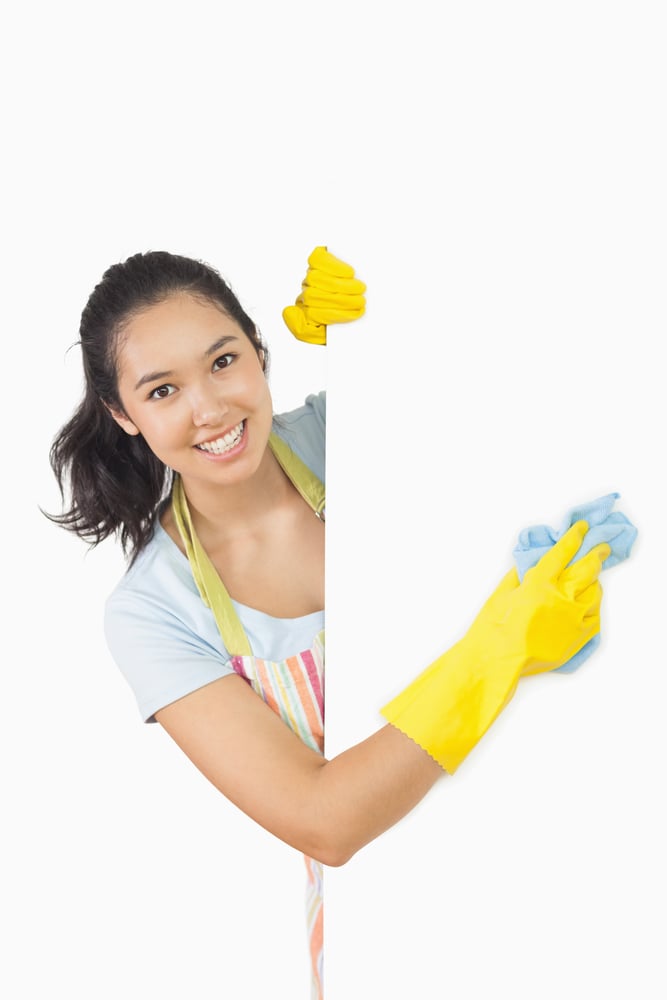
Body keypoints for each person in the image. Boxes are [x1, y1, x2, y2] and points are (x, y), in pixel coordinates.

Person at [48, 247, 610, 1000]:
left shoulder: (369, 432)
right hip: (392, 930)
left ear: (259, 348)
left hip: (563, 859)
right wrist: (498, 648)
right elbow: (324, 822)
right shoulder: (153, 612)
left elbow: (543, 351)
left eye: (223, 361)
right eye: (162, 389)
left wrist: (392, 318)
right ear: (123, 415)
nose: (209, 408)